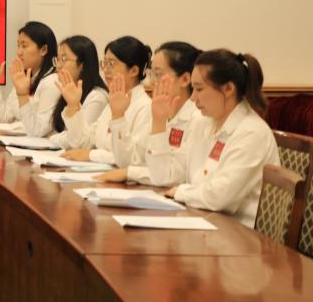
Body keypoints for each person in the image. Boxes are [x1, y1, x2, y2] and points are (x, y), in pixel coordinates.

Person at [148, 49, 280, 226]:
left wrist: (181, 192)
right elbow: (164, 177)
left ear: (228, 89)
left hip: (239, 234)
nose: (193, 98)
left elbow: (220, 198)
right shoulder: (202, 122)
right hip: (202, 221)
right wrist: (158, 122)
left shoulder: (252, 133)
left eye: (199, 89)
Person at [97, 42, 202, 183]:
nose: (151, 82)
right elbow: (128, 160)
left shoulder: (197, 119)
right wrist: (118, 116)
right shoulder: (159, 112)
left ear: (184, 79)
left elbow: (173, 176)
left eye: (158, 74)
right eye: (151, 73)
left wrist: (130, 173)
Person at [62, 36, 152, 166]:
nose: (105, 69)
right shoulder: (114, 101)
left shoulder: (145, 107)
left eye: (111, 64)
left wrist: (92, 155)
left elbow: (134, 159)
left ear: (134, 70)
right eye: (104, 63)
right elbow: (83, 143)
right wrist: (73, 106)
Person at [0, 21, 60, 137]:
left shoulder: (52, 82)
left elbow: (38, 129)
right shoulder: (26, 78)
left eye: (24, 46)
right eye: (18, 45)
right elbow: (3, 119)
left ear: (43, 50)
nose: (19, 52)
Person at [50, 35, 109, 149]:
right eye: (57, 59)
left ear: (82, 64)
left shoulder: (97, 97)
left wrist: (52, 138)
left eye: (64, 59)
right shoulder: (67, 90)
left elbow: (77, 139)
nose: (58, 65)